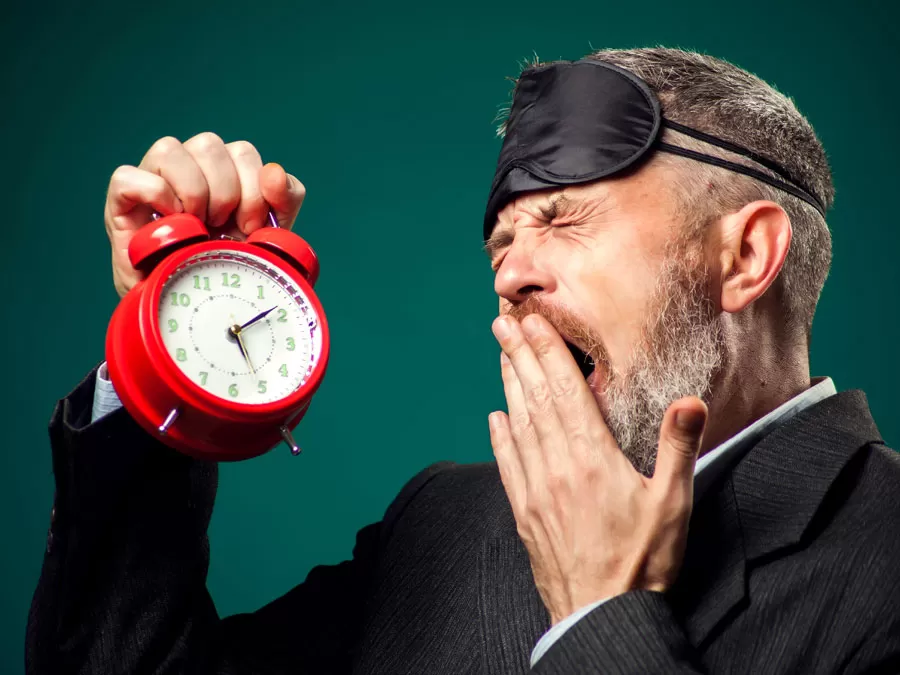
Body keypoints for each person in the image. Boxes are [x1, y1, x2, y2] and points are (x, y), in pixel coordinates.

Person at [26, 47, 900, 674]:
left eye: (561, 219)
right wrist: (172, 332)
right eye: (499, 249)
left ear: (745, 258)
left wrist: (602, 618)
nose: (511, 276)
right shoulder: (446, 523)